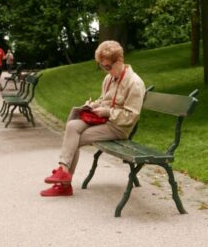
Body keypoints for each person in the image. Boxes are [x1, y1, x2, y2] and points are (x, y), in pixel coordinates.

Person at [40, 40, 145, 198]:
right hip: (102, 120)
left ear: (120, 60)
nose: (106, 70)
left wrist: (108, 112)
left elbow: (131, 116)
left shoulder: (134, 83)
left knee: (75, 138)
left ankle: (64, 184)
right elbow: (104, 99)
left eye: (108, 66)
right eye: (103, 67)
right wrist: (93, 105)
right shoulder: (109, 79)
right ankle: (63, 173)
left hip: (118, 127)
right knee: (72, 126)